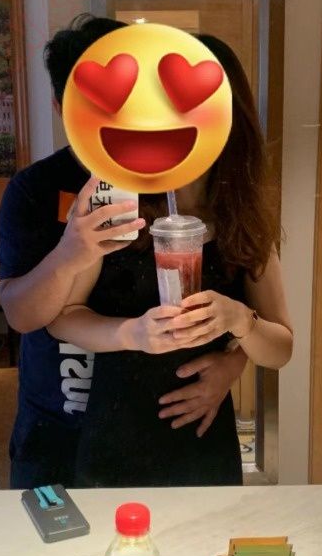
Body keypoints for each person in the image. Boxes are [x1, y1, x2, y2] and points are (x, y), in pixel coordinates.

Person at [0, 16, 251, 489]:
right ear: (62, 106)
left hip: (155, 419)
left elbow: (232, 292)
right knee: (52, 536)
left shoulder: (170, 180)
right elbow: (21, 314)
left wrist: (235, 360)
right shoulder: (35, 189)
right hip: (60, 418)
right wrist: (69, 254)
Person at [47, 33, 293, 488]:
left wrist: (240, 325)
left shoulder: (241, 217)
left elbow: (281, 348)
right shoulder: (115, 202)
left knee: (209, 534)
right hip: (116, 430)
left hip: (203, 437)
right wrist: (131, 333)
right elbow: (62, 319)